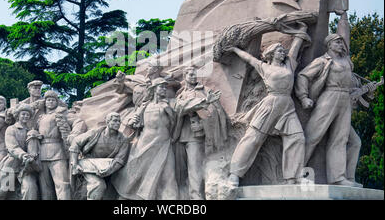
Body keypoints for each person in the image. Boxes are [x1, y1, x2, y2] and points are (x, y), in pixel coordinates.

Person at [227, 23, 309, 187]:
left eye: (282, 51)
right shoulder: (263, 67)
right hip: (270, 104)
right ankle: (234, 174)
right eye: (279, 51)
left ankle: (295, 176)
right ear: (271, 54)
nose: (282, 52)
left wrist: (303, 29)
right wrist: (235, 49)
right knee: (254, 138)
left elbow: (296, 45)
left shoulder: (290, 65)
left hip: (287, 105)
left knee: (297, 137)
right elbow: (249, 58)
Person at [295, 9, 362, 187]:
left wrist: (343, 17)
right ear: (330, 45)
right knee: (312, 135)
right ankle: (295, 172)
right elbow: (303, 76)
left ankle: (338, 178)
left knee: (340, 139)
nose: (341, 44)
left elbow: (345, 35)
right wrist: (303, 97)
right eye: (337, 42)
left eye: (342, 43)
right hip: (329, 97)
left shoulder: (346, 59)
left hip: (345, 99)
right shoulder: (322, 61)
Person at [112, 78, 179, 200]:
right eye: (161, 87)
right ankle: (124, 196)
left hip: (164, 144)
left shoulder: (169, 104)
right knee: (136, 171)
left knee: (169, 175)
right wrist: (133, 121)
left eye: (165, 87)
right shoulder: (145, 105)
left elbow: (176, 122)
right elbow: (134, 121)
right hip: (145, 143)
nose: (164, 89)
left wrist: (169, 110)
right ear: (154, 89)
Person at [173, 66, 225, 199]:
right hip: (182, 136)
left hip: (197, 136)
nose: (193, 77)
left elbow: (214, 110)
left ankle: (197, 198)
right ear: (185, 76)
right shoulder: (181, 94)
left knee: (195, 169)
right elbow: (179, 108)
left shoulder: (205, 91)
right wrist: (202, 103)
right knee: (185, 170)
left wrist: (204, 119)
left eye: (194, 74)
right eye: (190, 74)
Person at [36, 90, 85, 200]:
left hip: (58, 152)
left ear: (57, 102)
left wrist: (74, 134)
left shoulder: (62, 114)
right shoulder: (41, 117)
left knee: (62, 184)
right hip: (42, 153)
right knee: (45, 187)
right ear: (45, 102)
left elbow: (79, 122)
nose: (50, 102)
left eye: (53, 100)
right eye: (48, 100)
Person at [69, 112, 129, 200]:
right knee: (98, 185)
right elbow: (76, 143)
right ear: (108, 122)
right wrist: (74, 163)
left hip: (109, 168)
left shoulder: (123, 139)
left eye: (119, 121)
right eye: (115, 121)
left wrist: (109, 170)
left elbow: (120, 159)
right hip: (88, 165)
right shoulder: (95, 133)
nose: (118, 123)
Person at [0, 104, 39, 200]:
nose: (25, 116)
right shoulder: (11, 129)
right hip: (11, 166)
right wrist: (23, 155)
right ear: (18, 116)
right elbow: (12, 147)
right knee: (1, 192)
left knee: (30, 189)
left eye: (27, 115)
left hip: (26, 167)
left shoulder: (31, 131)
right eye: (23, 114)